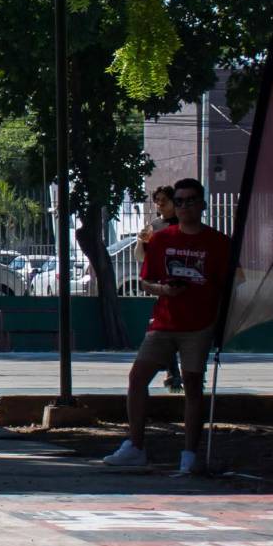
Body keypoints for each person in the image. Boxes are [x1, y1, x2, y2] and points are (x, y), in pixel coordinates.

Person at [104, 177, 232, 475]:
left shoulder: (219, 243)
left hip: (199, 325)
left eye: (191, 201)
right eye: (180, 201)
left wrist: (219, 322)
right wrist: (164, 289)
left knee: (192, 386)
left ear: (202, 204)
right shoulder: (162, 239)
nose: (185, 206)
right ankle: (135, 446)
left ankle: (190, 454)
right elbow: (146, 281)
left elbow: (227, 285)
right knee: (138, 378)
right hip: (163, 322)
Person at [141, 185, 183, 392]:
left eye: (164, 200)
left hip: (185, 282)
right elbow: (144, 255)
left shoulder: (183, 223)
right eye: (157, 201)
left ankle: (183, 371)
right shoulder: (155, 225)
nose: (160, 205)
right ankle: (173, 372)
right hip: (163, 284)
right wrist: (142, 242)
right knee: (164, 329)